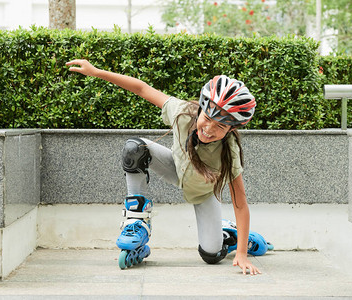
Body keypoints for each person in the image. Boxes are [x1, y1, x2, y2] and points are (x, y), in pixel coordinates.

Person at [66, 59, 260, 275]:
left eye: (221, 126)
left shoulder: (229, 150)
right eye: (208, 118)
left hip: (204, 193)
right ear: (201, 108)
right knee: (135, 148)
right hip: (174, 167)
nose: (209, 128)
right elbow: (142, 88)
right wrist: (97, 72)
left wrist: (241, 253)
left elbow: (240, 204)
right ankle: (137, 223)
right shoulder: (182, 112)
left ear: (231, 129)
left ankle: (228, 235)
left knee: (211, 256)